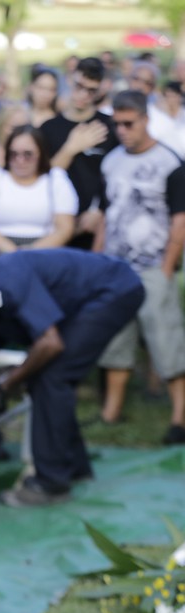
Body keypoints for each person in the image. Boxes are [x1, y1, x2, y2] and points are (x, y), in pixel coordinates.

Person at [0, 251, 144, 506]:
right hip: (82, 302)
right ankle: (76, 468)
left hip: (113, 289)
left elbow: (50, 344)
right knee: (46, 375)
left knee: (52, 376)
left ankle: (51, 484)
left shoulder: (7, 281)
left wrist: (7, 384)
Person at [95, 90, 185, 446]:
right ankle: (110, 413)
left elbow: (180, 220)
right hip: (116, 266)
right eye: (116, 123)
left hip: (152, 266)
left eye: (128, 123)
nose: (121, 130)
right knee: (116, 340)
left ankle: (180, 417)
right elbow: (105, 214)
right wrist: (98, 259)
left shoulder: (171, 163)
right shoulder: (111, 161)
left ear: (145, 119)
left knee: (166, 340)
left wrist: (167, 266)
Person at [41, 57, 118, 250]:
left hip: (99, 228)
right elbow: (42, 179)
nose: (83, 95)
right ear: (69, 79)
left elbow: (117, 177)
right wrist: (71, 149)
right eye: (79, 86)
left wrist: (99, 211)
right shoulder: (48, 129)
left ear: (100, 89)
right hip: (55, 225)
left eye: (91, 90)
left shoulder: (110, 127)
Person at [0, 125, 77, 253]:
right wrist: (12, 252)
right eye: (13, 154)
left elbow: (65, 228)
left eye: (28, 154)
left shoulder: (56, 178)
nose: (20, 160)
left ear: (41, 153)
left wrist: (30, 252)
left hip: (45, 250)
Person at [126, 59, 185, 158]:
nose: (140, 86)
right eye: (136, 79)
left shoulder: (163, 122)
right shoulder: (111, 113)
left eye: (147, 83)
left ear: (153, 87)